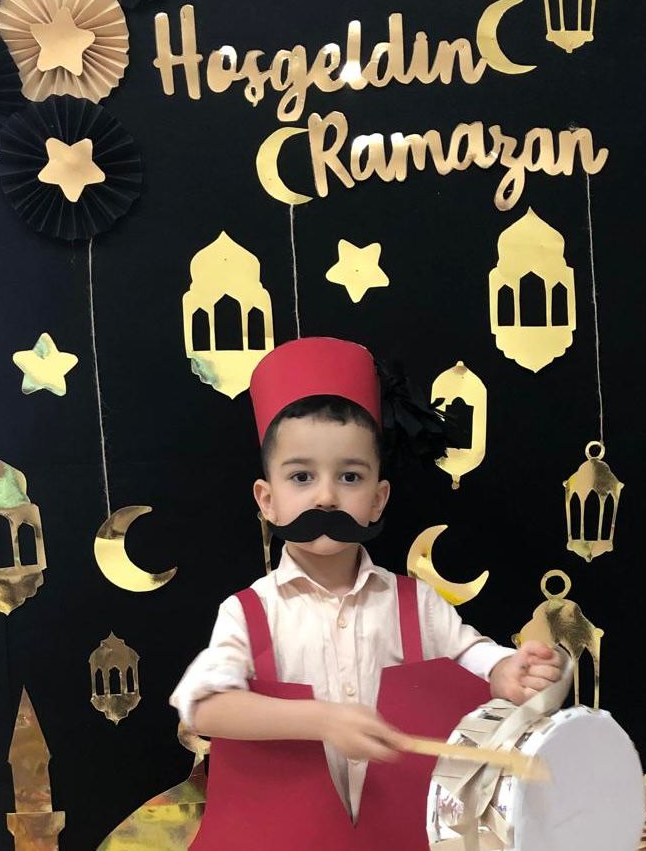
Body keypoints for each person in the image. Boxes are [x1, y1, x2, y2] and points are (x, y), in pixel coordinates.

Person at [169, 336, 562, 850]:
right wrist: (321, 719)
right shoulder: (249, 611)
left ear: (377, 499)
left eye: (349, 476)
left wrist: (502, 670)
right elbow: (203, 707)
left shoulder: (415, 604)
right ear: (267, 500)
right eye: (302, 476)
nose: (326, 496)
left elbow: (471, 654)